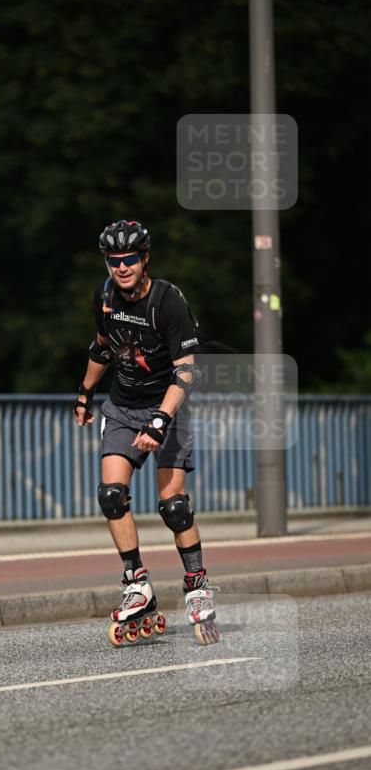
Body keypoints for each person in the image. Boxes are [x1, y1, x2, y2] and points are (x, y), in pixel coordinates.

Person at [73, 219, 219, 646]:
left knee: (173, 507)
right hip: (121, 409)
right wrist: (84, 392)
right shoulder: (104, 296)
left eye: (129, 259)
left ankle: (196, 586)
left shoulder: (167, 300)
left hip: (167, 409)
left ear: (145, 259)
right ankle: (137, 583)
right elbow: (103, 347)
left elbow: (187, 372)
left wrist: (160, 421)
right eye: (114, 260)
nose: (121, 267)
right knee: (111, 496)